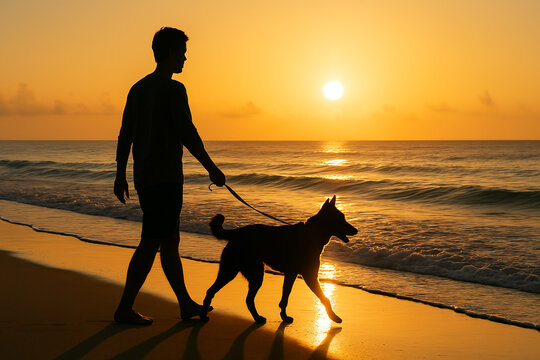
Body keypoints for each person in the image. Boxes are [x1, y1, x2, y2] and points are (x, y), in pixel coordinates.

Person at [113, 27, 226, 325]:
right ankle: (125, 307)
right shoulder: (174, 89)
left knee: (168, 241)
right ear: (170, 52)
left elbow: (126, 134)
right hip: (166, 179)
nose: (186, 58)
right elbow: (187, 132)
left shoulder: (137, 89)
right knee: (152, 242)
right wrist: (211, 168)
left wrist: (120, 174)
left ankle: (185, 303)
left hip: (145, 178)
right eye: (182, 52)